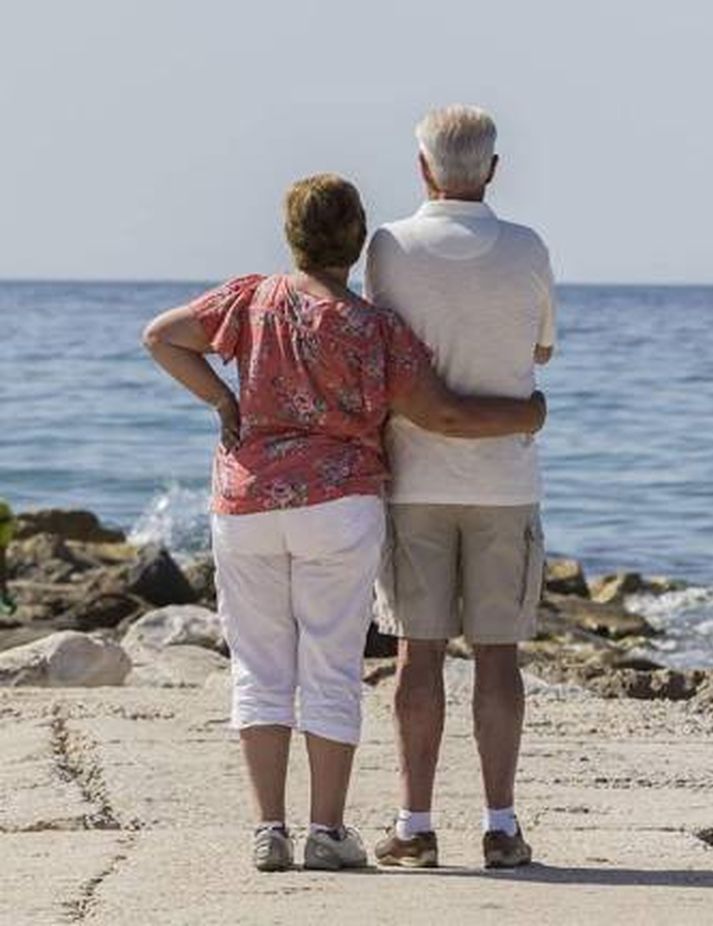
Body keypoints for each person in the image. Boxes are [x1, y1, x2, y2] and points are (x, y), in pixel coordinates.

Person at [141, 173, 546, 873]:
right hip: (339, 503)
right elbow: (443, 414)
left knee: (259, 669)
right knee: (329, 665)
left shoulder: (249, 298)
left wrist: (223, 403)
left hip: (247, 505)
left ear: (291, 237)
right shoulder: (373, 329)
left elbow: (162, 337)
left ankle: (269, 830)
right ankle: (327, 831)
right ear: (358, 244)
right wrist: (526, 415)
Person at [366, 104, 554, 870]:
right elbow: (539, 352)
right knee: (499, 657)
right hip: (505, 480)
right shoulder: (528, 247)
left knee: (418, 654)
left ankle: (415, 826)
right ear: (493, 170)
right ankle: (501, 826)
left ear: (422, 167)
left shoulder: (388, 247)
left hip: (413, 480)